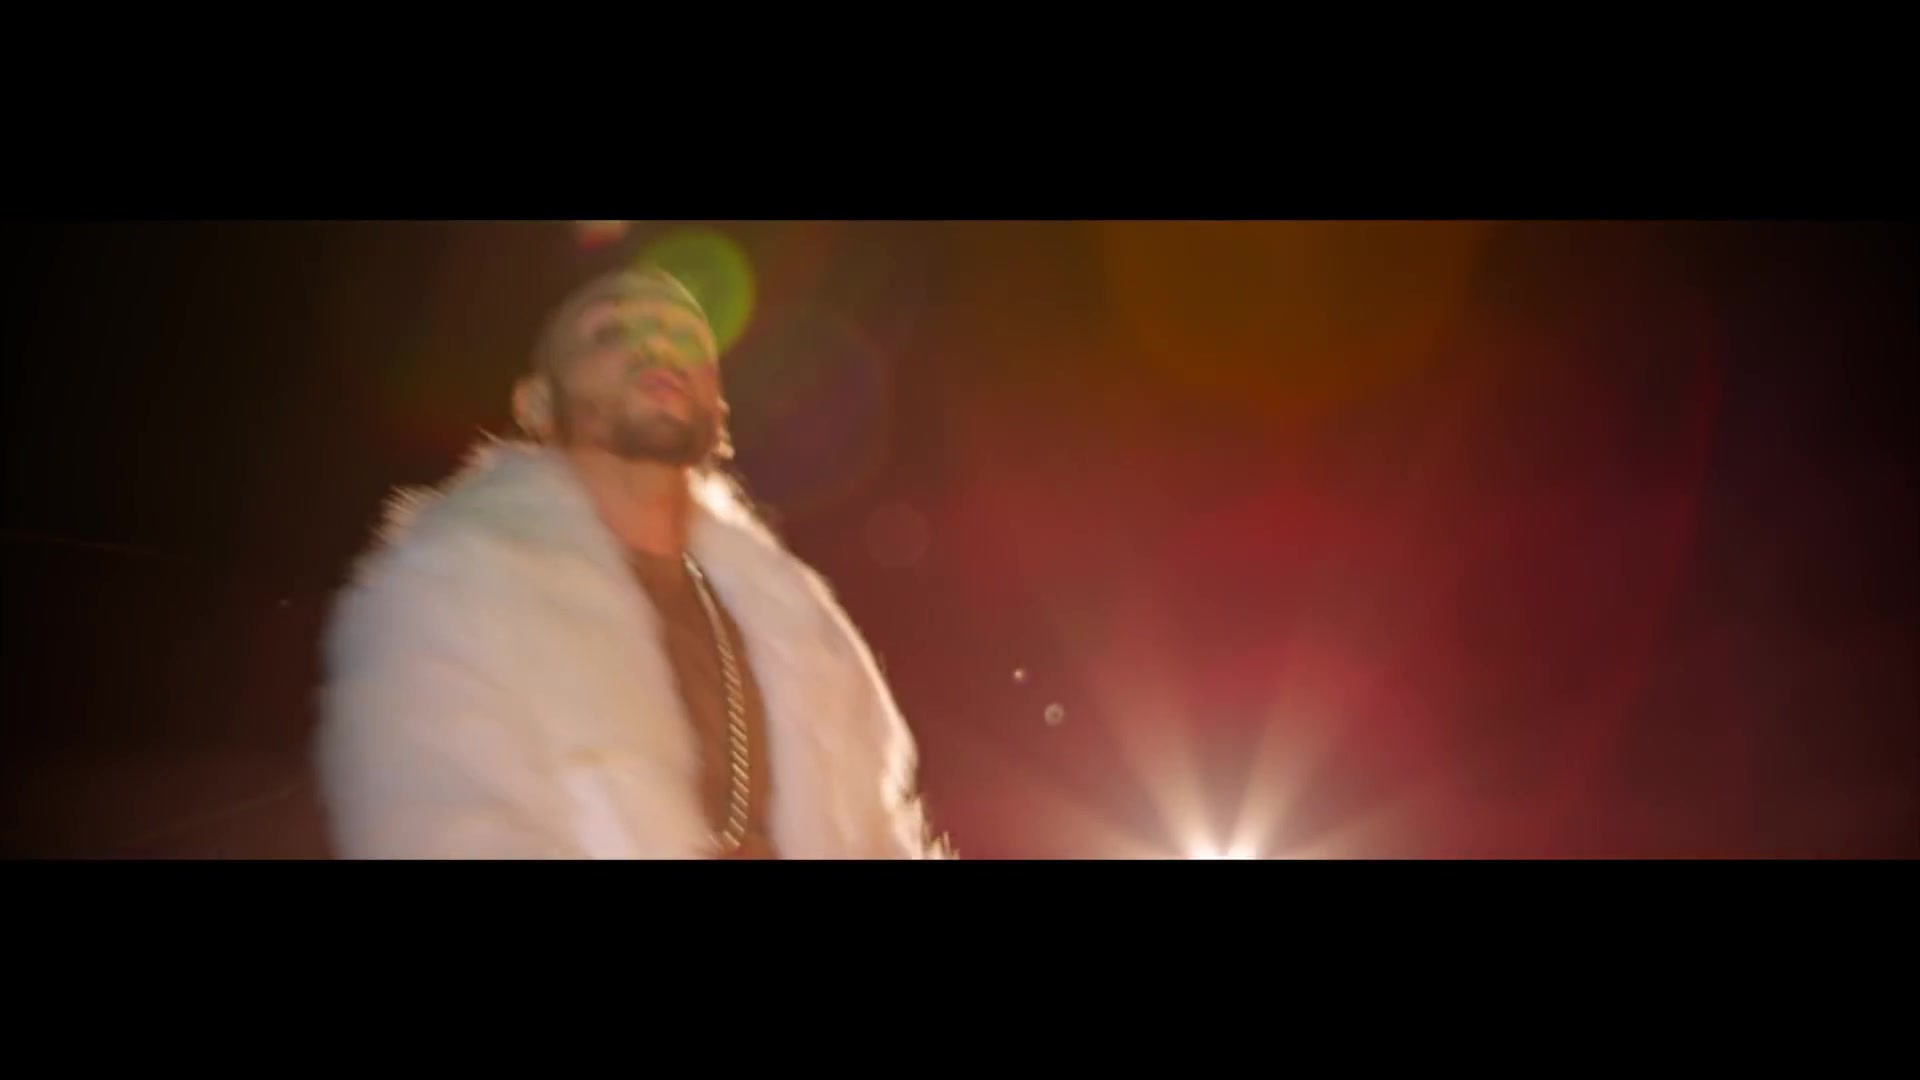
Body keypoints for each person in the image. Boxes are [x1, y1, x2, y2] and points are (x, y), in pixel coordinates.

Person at [313, 266, 947, 859]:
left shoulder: (800, 625)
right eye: (610, 333)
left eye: (685, 338)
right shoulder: (450, 591)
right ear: (537, 405)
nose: (657, 347)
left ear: (718, 404)